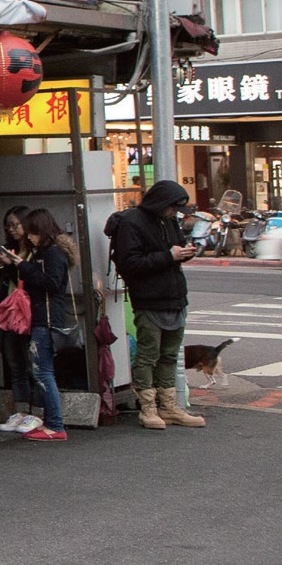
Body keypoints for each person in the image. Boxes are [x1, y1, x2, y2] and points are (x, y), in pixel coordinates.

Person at [108, 179, 206, 429]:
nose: (174, 212)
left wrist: (185, 252)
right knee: (148, 355)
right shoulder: (131, 222)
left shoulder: (169, 220)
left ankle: (169, 407)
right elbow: (129, 264)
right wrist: (168, 256)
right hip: (149, 298)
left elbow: (174, 248)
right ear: (161, 202)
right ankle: (148, 408)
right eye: (172, 207)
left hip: (174, 296)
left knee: (170, 355)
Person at [18, 209, 80, 441]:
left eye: (33, 233)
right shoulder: (49, 252)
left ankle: (55, 424)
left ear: (42, 231)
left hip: (47, 320)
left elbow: (52, 284)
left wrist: (24, 267)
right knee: (43, 371)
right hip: (45, 318)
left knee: (43, 372)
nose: (30, 238)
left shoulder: (53, 254)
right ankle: (50, 421)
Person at [0, 207, 39, 432]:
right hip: (9, 314)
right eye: (8, 225)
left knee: (33, 365)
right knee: (15, 365)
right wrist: (0, 266)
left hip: (29, 314)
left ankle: (37, 411)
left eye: (16, 224)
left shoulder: (36, 251)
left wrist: (15, 267)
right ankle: (20, 411)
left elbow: (36, 280)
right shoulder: (9, 249)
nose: (12, 229)